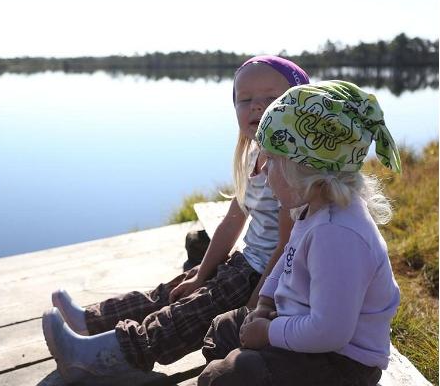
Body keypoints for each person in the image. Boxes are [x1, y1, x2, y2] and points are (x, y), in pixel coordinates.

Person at [41, 56, 310, 383]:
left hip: (263, 277)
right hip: (245, 265)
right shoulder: (254, 155)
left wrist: (257, 304)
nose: (257, 107)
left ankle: (105, 357)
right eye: (246, 99)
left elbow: (287, 247)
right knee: (173, 291)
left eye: (271, 98)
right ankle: (91, 322)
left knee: (186, 316)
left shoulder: (289, 168)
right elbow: (230, 224)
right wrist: (202, 274)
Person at [197, 80, 402, 386]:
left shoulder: (338, 235)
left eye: (273, 160)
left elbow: (330, 332)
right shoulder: (314, 207)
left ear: (307, 167)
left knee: (223, 377)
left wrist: (268, 332)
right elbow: (288, 259)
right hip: (303, 327)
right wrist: (265, 302)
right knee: (223, 328)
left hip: (341, 362)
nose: (264, 172)